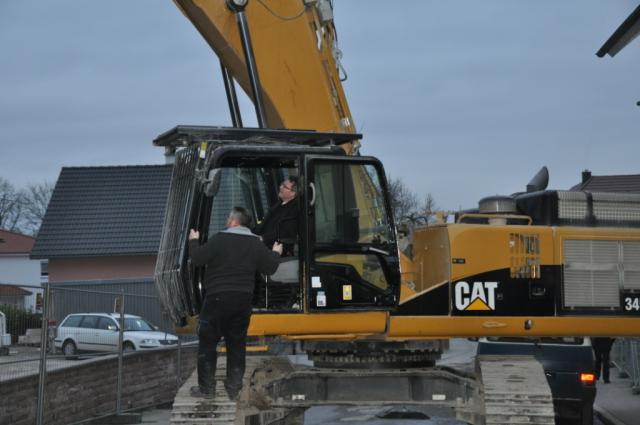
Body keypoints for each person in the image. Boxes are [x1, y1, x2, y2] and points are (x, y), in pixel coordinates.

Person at [188, 206, 282, 400]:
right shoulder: (255, 244)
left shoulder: (219, 239)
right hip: (242, 300)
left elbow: (197, 259)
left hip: (217, 298)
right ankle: (233, 388)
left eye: (228, 218)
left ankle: (207, 389)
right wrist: (275, 252)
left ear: (233, 221)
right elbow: (270, 268)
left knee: (208, 342)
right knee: (237, 343)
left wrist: (194, 240)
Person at [254, 176, 299, 256]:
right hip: (261, 243)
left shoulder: (295, 210)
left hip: (276, 248)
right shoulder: (278, 204)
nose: (280, 187)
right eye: (282, 184)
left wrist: (263, 238)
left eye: (284, 186)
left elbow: (285, 232)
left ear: (293, 193)